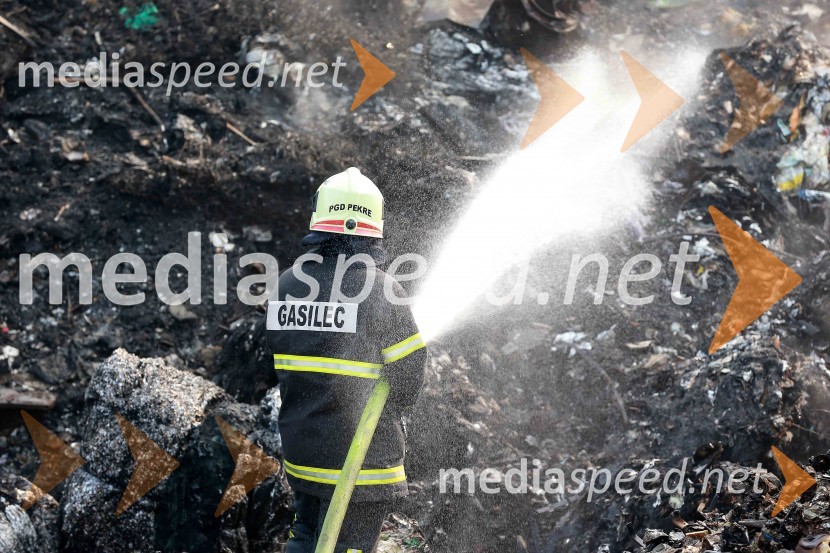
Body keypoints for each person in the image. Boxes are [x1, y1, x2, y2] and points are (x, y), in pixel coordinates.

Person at [266, 167, 427, 553]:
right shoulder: (382, 289)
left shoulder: (286, 285)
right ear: (373, 225)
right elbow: (409, 380)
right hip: (362, 465)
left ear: (319, 220)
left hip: (302, 454)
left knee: (306, 536)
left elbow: (275, 360)